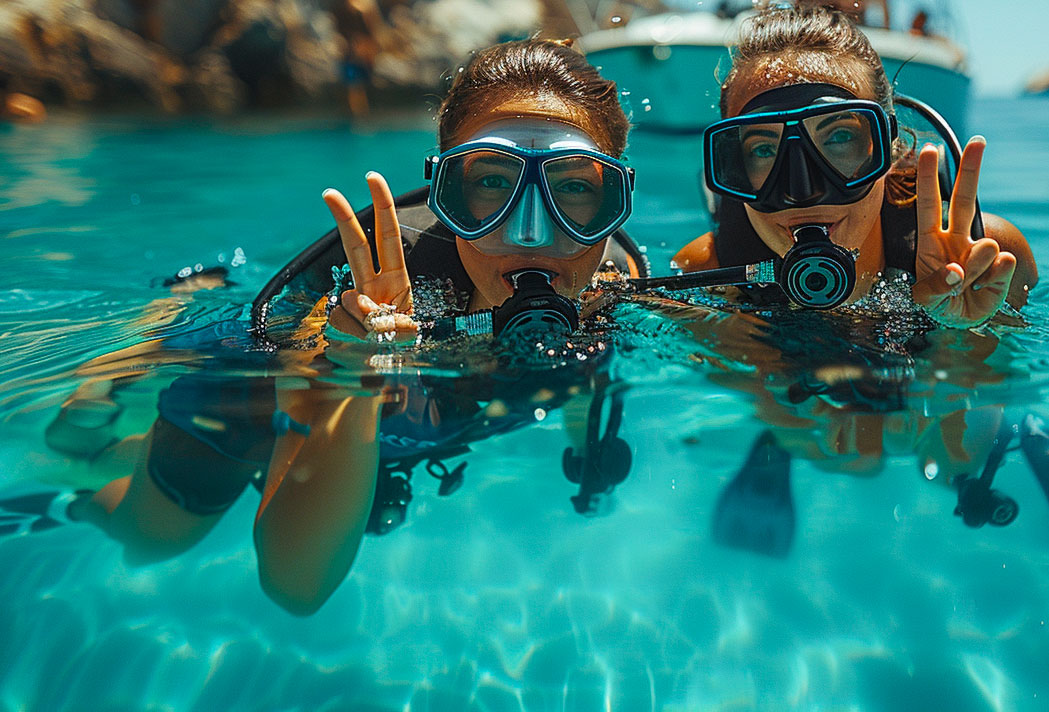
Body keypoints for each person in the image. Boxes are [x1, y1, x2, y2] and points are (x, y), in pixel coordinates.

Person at [33, 38, 646, 615]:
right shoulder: (360, 294)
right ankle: (94, 453)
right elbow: (295, 586)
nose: (532, 234)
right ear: (447, 191)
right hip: (249, 389)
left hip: (412, 418)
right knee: (152, 538)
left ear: (615, 200)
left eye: (573, 188)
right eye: (491, 182)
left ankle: (118, 452)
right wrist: (353, 378)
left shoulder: (615, 280)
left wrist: (585, 443)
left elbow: (582, 373)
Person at [673, 5, 1038, 329]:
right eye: (765, 149)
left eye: (839, 137)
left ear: (887, 149)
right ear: (735, 167)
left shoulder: (989, 261)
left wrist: (961, 331)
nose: (803, 192)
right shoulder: (707, 277)